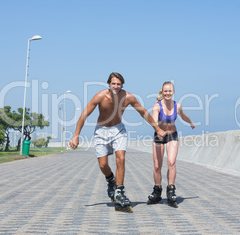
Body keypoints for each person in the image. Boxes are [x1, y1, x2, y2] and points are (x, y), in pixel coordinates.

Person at [69, 72, 165, 213]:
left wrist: (157, 128)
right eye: (113, 83)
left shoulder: (128, 97)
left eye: (118, 84)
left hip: (118, 130)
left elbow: (143, 112)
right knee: (103, 165)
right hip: (101, 131)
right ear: (109, 84)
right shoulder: (101, 96)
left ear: (122, 85)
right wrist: (76, 135)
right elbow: (84, 114)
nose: (116, 86)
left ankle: (119, 191)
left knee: (121, 158)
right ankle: (111, 180)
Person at [147, 81, 195, 208]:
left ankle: (171, 189)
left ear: (173, 92)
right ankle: (157, 190)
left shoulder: (177, 106)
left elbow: (183, 115)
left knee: (171, 163)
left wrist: (190, 122)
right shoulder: (157, 106)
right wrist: (158, 130)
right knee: (157, 165)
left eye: (170, 91)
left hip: (172, 136)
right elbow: (154, 121)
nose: (167, 93)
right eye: (165, 91)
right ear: (162, 92)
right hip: (159, 136)